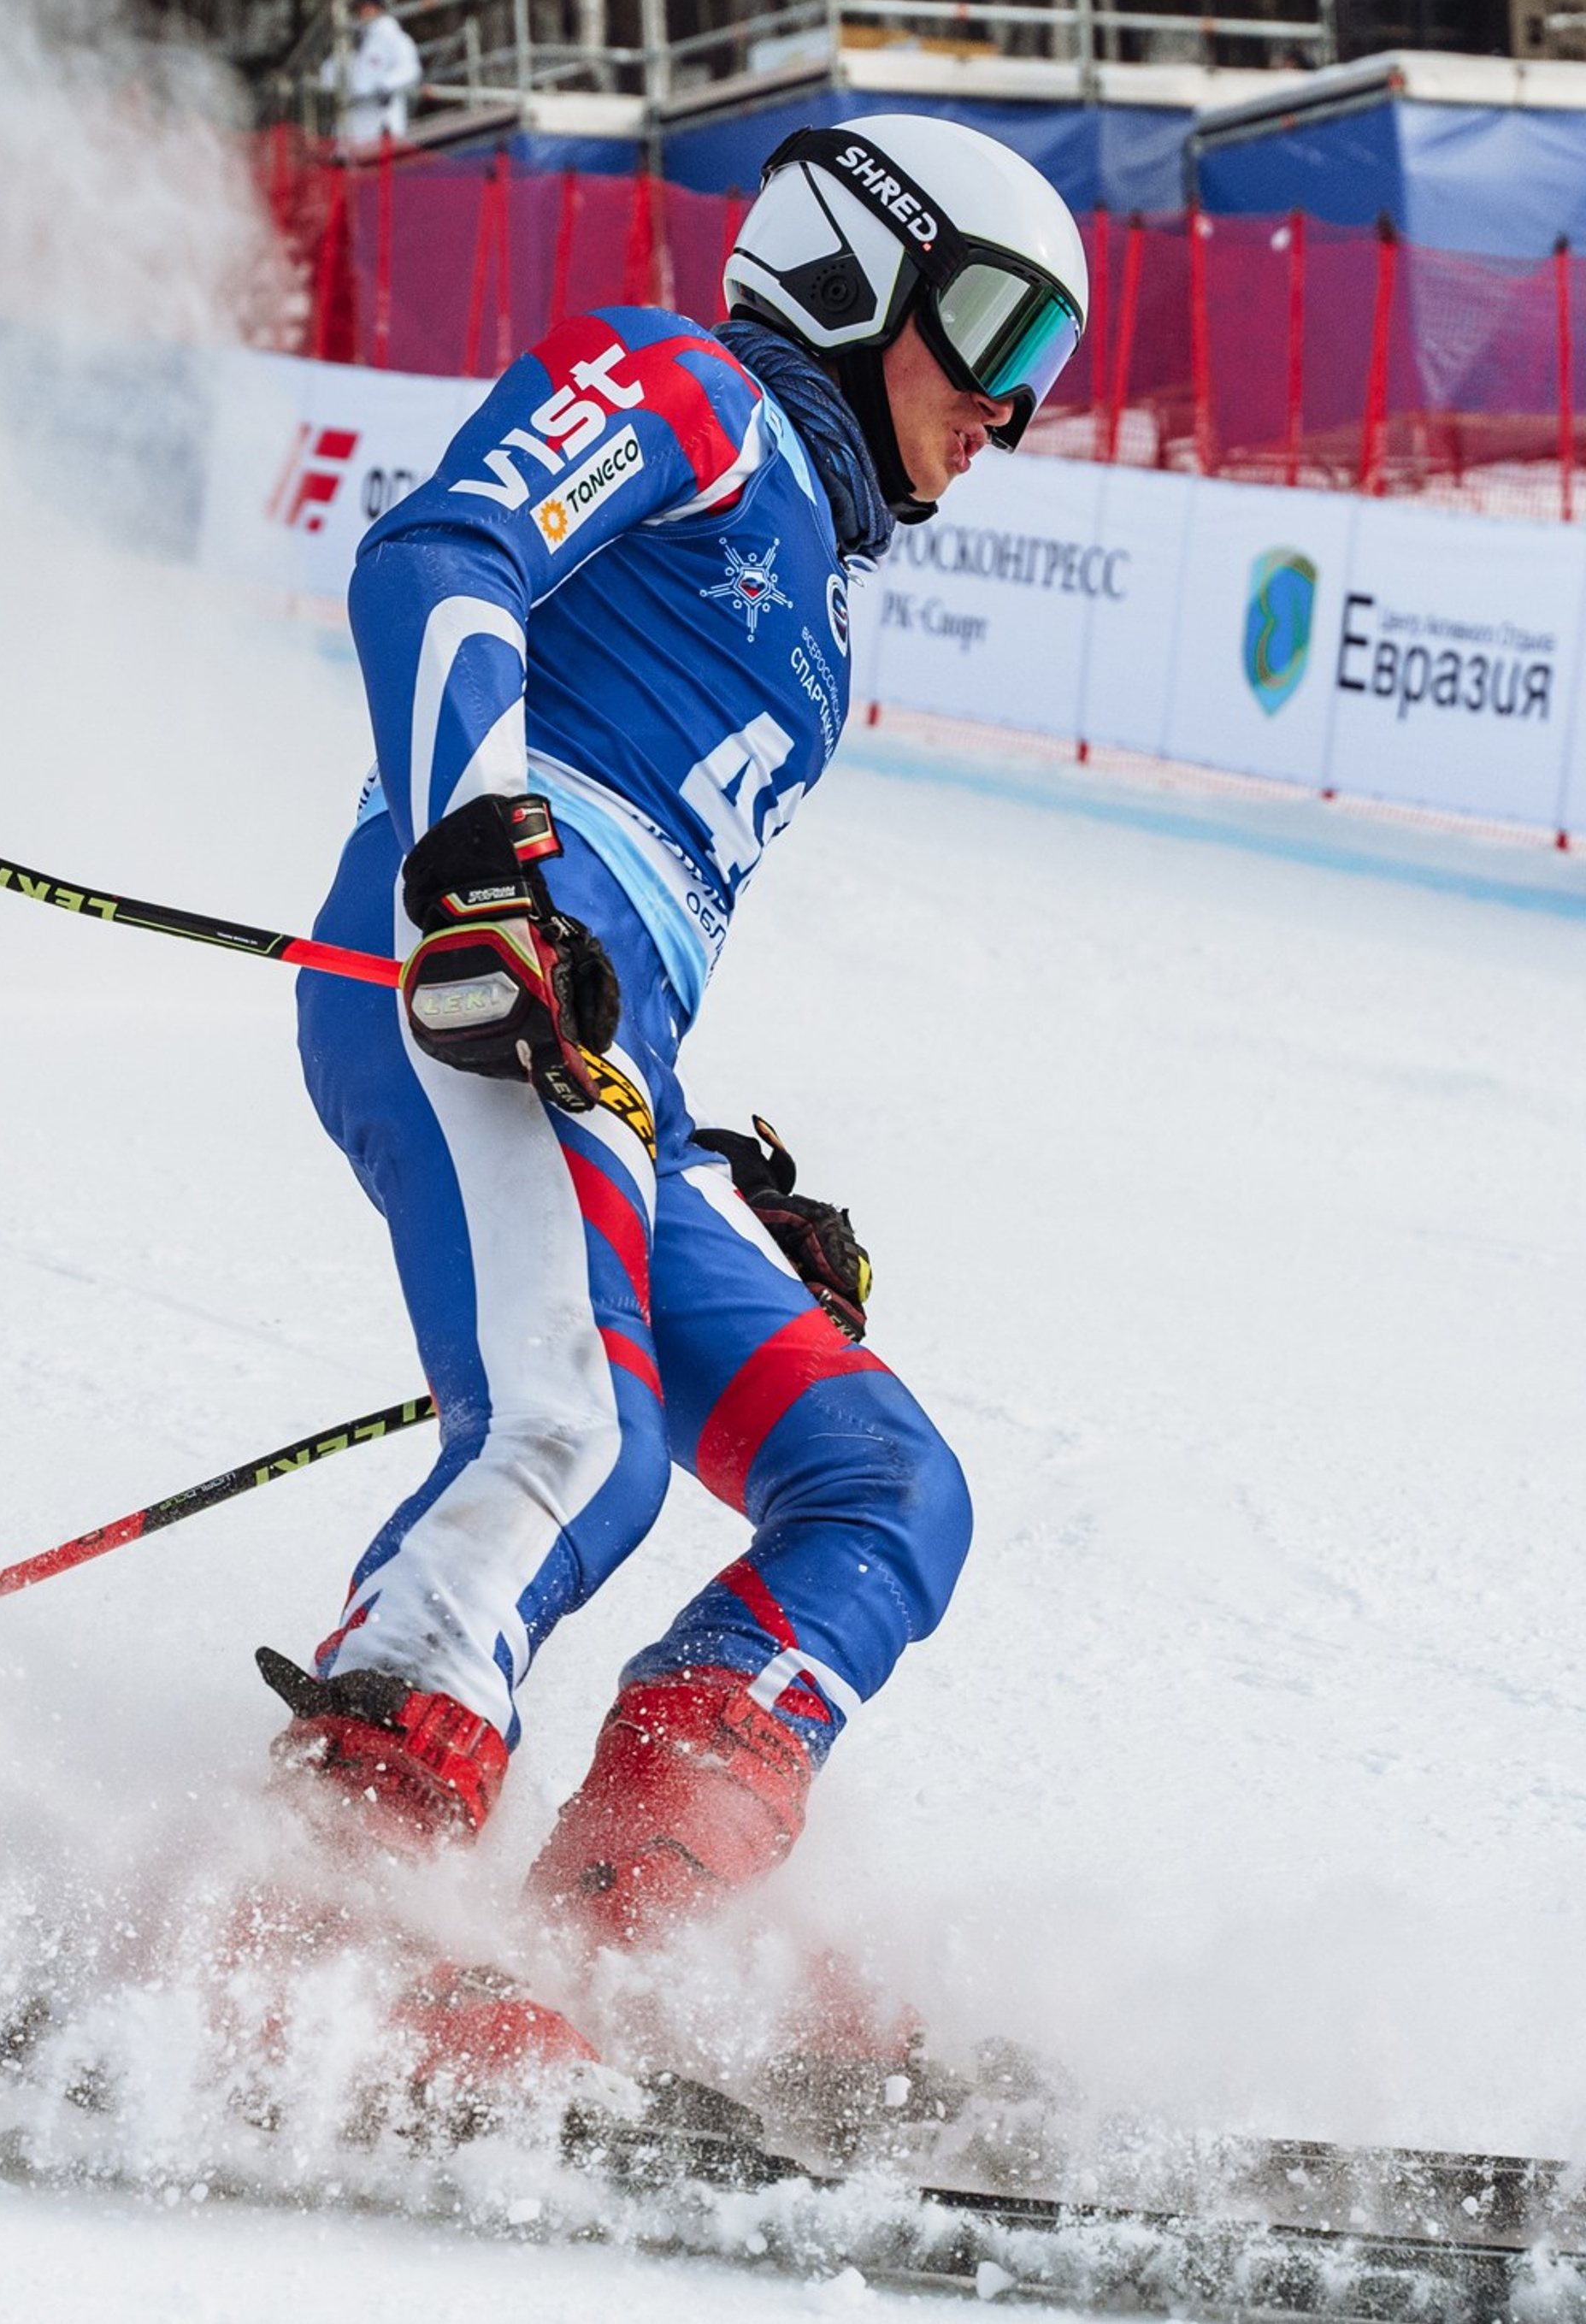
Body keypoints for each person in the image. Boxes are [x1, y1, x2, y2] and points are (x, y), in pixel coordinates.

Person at [265, 115, 1088, 2072]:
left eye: (1042, 360)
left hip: (603, 1043)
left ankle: (618, 1928)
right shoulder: (696, 390)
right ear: (847, 268)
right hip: (467, 962)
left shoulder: (812, 604)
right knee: (581, 1442)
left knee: (882, 1489)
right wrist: (475, 849)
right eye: (983, 324)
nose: (1006, 401)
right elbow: (441, 552)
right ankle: (310, 1913)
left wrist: (695, 1162)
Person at [327, 0, 422, 148]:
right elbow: (329, 74)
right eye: (361, 9)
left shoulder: (393, 38)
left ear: (379, 8)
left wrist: (385, 85)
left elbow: (410, 69)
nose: (364, 13)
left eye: (368, 7)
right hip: (354, 127)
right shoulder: (354, 43)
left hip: (381, 122)